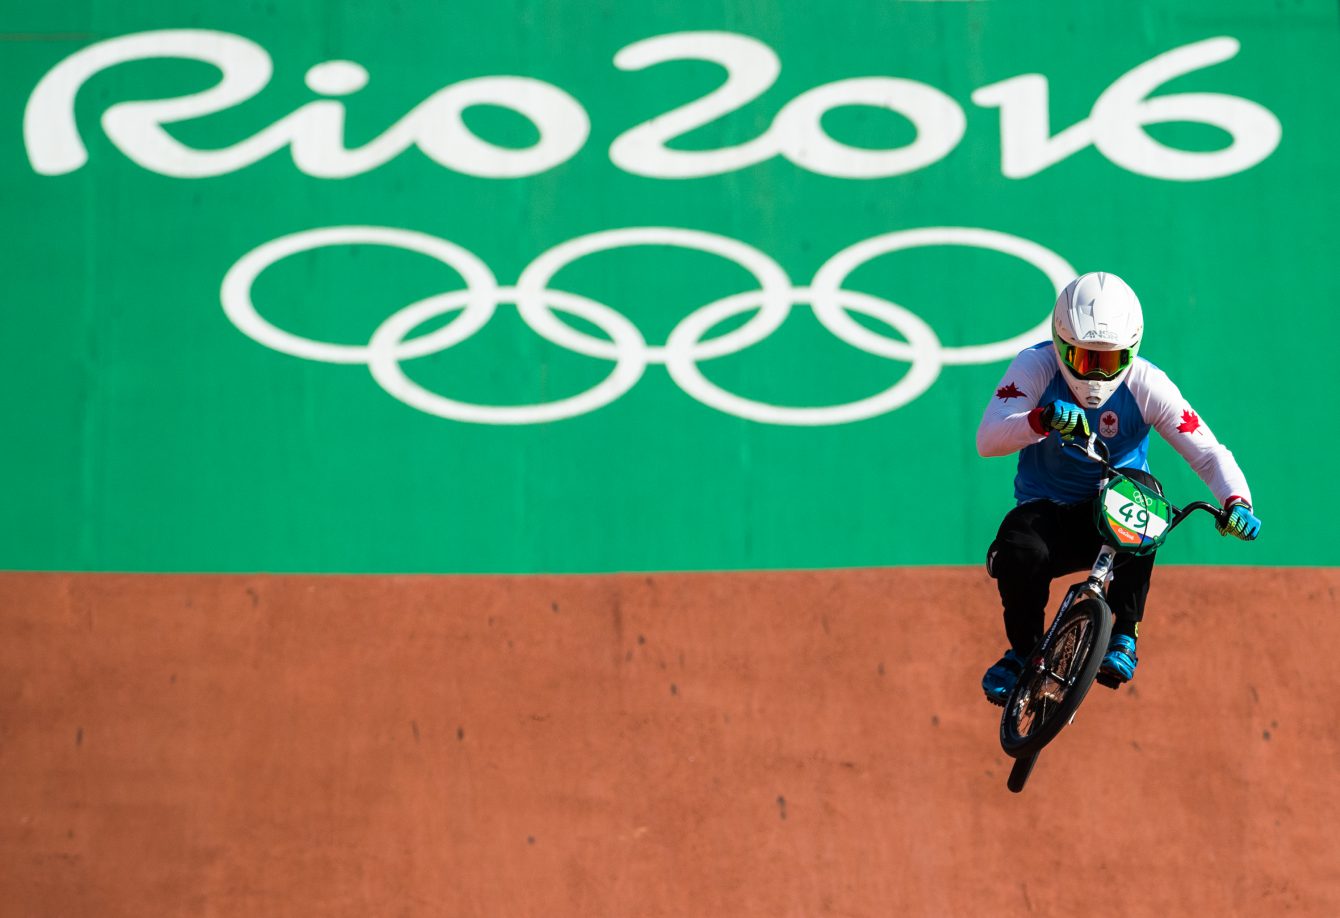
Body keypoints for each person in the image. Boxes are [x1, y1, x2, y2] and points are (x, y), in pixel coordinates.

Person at [976, 271, 1260, 705]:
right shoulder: (1034, 366)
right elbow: (988, 439)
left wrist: (1236, 500)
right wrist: (1040, 420)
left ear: (1130, 352)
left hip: (1113, 512)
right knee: (1018, 551)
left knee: (1147, 492)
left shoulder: (1147, 384)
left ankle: (1124, 635)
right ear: (1059, 343)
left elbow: (1207, 451)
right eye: (1081, 357)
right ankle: (1022, 654)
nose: (1092, 373)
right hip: (1046, 514)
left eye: (1106, 361)